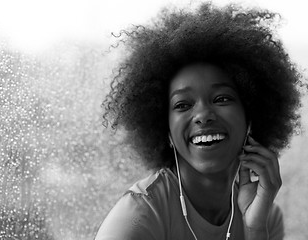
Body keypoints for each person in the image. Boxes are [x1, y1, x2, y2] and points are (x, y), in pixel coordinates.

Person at [96, 2, 302, 240]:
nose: (203, 115)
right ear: (165, 131)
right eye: (182, 105)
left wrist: (255, 229)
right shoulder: (138, 217)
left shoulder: (265, 211)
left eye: (222, 98)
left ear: (251, 117)